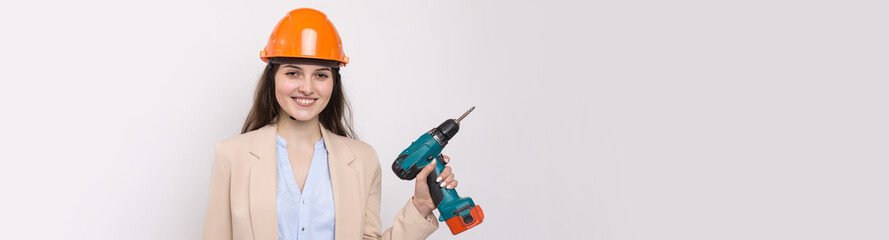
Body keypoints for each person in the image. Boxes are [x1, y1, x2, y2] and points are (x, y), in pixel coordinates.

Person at [202, 8, 459, 240]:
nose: (307, 87)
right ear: (273, 77)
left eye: (321, 75)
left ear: (333, 83)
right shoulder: (231, 156)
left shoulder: (363, 160)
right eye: (293, 72)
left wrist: (421, 206)